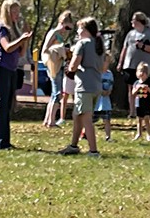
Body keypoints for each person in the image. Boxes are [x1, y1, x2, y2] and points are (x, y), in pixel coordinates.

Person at [60, 17, 104, 156]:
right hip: (96, 86)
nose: (77, 31)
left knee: (86, 119)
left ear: (85, 30)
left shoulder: (82, 44)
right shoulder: (99, 44)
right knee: (77, 115)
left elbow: (73, 66)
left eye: (79, 28)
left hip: (84, 86)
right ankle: (73, 146)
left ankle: (93, 151)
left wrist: (69, 68)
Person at [0, 0, 31, 150]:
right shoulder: (1, 28)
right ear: (7, 12)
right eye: (14, 12)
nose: (17, 15)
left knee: (8, 106)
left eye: (18, 12)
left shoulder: (14, 29)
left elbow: (21, 53)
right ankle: (0, 142)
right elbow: (7, 47)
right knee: (1, 105)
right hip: (1, 68)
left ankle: (5, 141)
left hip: (12, 70)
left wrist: (25, 39)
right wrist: (21, 39)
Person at [41, 11, 74, 127]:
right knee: (58, 93)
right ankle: (51, 121)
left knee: (54, 93)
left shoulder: (61, 35)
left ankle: (47, 120)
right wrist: (60, 49)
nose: (66, 31)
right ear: (61, 23)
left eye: (69, 29)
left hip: (59, 63)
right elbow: (45, 49)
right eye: (66, 27)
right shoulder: (54, 33)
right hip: (52, 64)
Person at [118, 10, 150, 91]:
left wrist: (143, 46)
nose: (131, 22)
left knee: (142, 89)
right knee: (131, 89)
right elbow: (125, 48)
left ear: (139, 21)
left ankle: (140, 100)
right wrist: (120, 63)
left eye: (133, 20)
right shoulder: (130, 34)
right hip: (129, 65)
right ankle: (131, 100)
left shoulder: (149, 33)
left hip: (142, 68)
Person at [131, 61, 150, 141]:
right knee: (139, 119)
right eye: (140, 71)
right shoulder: (136, 83)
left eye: (144, 72)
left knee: (146, 119)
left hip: (146, 104)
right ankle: (139, 133)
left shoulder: (148, 82)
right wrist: (137, 88)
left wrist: (147, 88)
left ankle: (149, 134)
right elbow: (133, 93)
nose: (142, 73)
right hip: (138, 104)